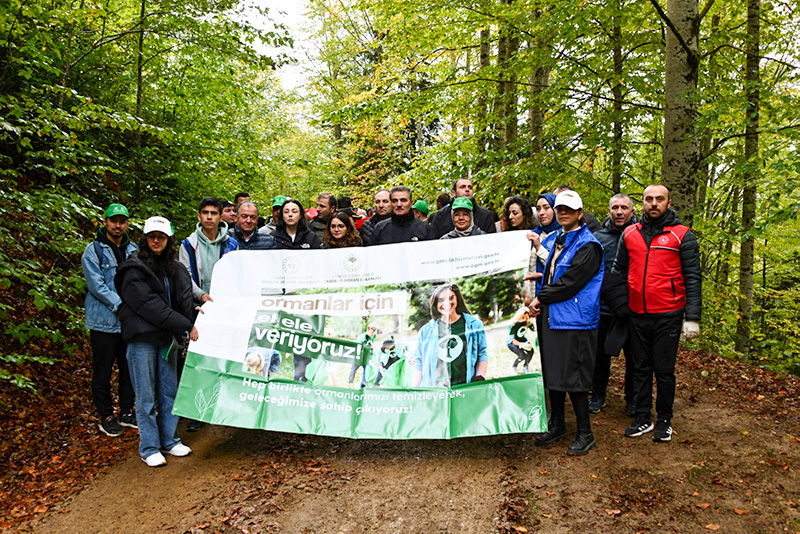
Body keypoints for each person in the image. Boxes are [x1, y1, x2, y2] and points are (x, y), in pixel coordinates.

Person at [613, 184, 701, 443]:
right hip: (637, 314)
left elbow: (693, 277)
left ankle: (664, 419)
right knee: (639, 368)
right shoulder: (629, 234)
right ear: (642, 203)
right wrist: (621, 306)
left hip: (669, 314)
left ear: (668, 203)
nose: (653, 203)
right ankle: (642, 417)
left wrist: (692, 318)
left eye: (659, 199)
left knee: (664, 370)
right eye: (649, 199)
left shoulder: (682, 235)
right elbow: (618, 272)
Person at [116, 216, 199, 467]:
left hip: (166, 338)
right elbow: (149, 306)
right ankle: (149, 446)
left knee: (168, 390)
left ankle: (170, 440)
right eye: (152, 236)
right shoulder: (133, 268)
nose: (156, 240)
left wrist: (195, 311)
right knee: (146, 395)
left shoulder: (173, 267)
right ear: (145, 238)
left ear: (168, 240)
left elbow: (181, 298)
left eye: (161, 237)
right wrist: (186, 325)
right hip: (142, 339)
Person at [529, 190, 604, 456]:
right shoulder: (561, 239)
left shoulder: (588, 245)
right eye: (559, 209)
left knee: (575, 378)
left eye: (569, 210)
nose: (562, 213)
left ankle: (586, 432)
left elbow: (571, 282)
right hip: (555, 318)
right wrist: (539, 277)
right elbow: (555, 273)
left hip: (575, 322)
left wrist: (540, 298)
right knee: (554, 374)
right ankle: (557, 425)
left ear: (580, 214)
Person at [81, 203, 138, 437]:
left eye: (122, 221)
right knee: (102, 371)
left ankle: (126, 411)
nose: (117, 225)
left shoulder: (133, 250)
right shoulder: (93, 251)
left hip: (128, 321)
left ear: (127, 224)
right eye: (113, 220)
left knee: (128, 367)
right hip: (103, 321)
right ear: (105, 221)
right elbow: (96, 285)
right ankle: (106, 415)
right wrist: (119, 305)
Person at [590, 193, 638, 414]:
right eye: (615, 208)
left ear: (632, 211)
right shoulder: (598, 237)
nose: (619, 212)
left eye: (624, 208)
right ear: (609, 211)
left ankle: (633, 399)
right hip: (603, 307)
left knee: (635, 357)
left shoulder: (642, 235)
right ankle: (598, 395)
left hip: (634, 308)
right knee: (600, 356)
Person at [413, 284, 488, 387]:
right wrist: (414, 390)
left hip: (465, 387)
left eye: (450, 298)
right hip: (436, 391)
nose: (447, 303)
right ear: (435, 303)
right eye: (441, 300)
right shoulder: (425, 331)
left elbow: (482, 354)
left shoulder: (475, 325)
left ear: (457, 298)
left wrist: (479, 377)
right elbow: (418, 362)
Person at [179, 197, 238, 304]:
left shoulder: (232, 244)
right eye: (205, 213)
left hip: (226, 302)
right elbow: (185, 277)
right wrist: (200, 295)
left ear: (221, 217)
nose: (209, 217)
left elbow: (236, 274)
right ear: (199, 216)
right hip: (196, 303)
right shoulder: (188, 245)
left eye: (214, 213)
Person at [430, 178, 497, 238]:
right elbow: (433, 241)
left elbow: (492, 242)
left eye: (470, 187)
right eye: (462, 187)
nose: (467, 190)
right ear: (454, 193)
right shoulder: (441, 215)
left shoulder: (485, 215)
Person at [507, 307, 537, 374]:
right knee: (522, 355)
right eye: (523, 317)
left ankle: (525, 366)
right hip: (512, 342)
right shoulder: (513, 324)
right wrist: (521, 345)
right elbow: (511, 339)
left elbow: (534, 329)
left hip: (522, 339)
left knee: (531, 351)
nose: (525, 319)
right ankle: (514, 367)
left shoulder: (528, 322)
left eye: (526, 317)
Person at [348, 323, 378, 388]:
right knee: (353, 370)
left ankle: (362, 387)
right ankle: (349, 385)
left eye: (373, 333)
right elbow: (359, 348)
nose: (372, 334)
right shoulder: (361, 338)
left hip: (366, 357)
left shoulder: (374, 335)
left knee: (366, 371)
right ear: (368, 329)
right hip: (358, 356)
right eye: (371, 332)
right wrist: (370, 347)